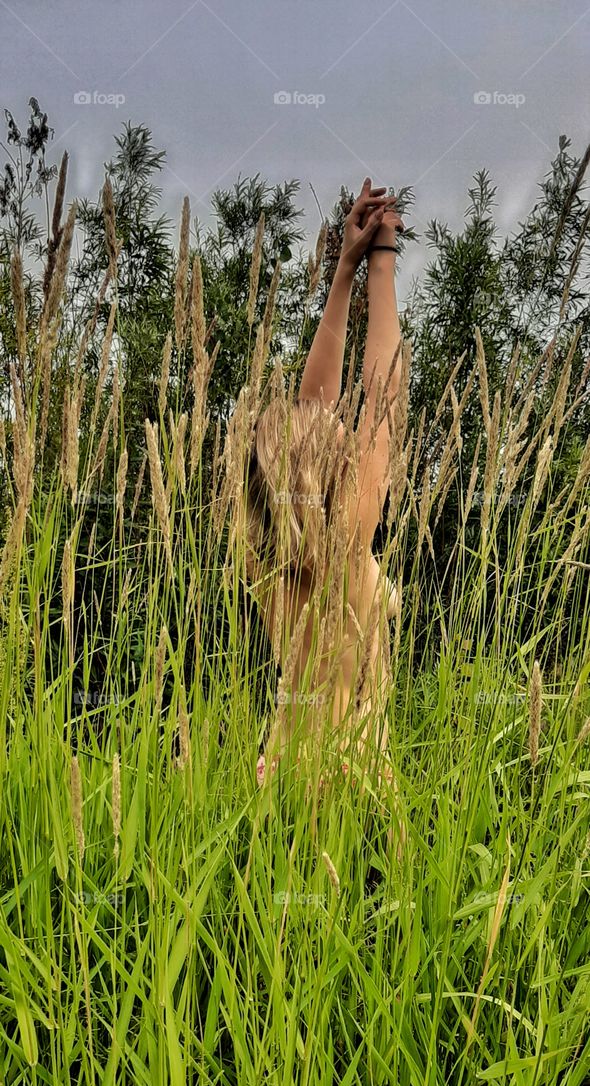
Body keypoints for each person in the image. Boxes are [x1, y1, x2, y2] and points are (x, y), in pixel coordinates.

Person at [244, 178, 407, 856]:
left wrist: (342, 268)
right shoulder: (345, 542)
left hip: (280, 774)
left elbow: (318, 401)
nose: (321, 416)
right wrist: (382, 263)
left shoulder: (271, 558)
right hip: (351, 787)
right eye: (309, 430)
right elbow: (384, 397)